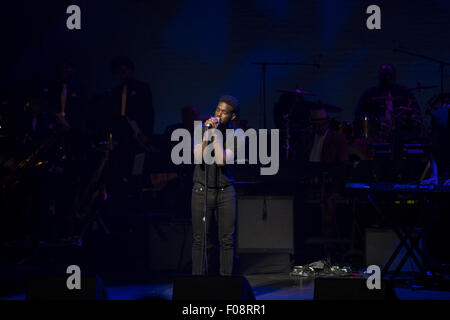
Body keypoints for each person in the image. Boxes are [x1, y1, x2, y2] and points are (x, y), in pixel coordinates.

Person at [191, 95, 244, 275]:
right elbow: (198, 158)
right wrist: (207, 134)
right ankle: (198, 282)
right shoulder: (202, 129)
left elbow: (222, 161)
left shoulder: (237, 135)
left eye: (224, 112)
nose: (218, 115)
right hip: (201, 189)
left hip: (225, 191)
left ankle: (226, 283)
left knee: (227, 240)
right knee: (200, 239)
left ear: (233, 116)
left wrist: (215, 135)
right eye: (217, 110)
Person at [355, 64, 421, 143]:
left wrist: (410, 118)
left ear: (394, 76)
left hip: (402, 133)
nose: (387, 77)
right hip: (376, 134)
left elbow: (416, 112)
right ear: (379, 76)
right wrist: (374, 122)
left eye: (389, 75)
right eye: (384, 75)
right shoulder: (369, 94)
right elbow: (359, 114)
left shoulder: (404, 93)